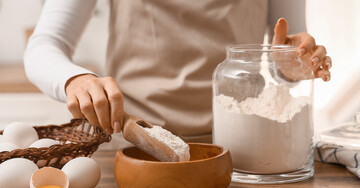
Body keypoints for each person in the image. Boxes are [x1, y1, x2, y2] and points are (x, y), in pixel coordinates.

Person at [24, 0, 331, 145]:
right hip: (131, 142)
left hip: (243, 147)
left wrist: (292, 63)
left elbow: (286, 51)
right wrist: (75, 79)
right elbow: (45, 44)